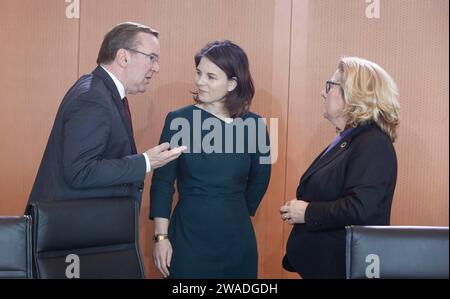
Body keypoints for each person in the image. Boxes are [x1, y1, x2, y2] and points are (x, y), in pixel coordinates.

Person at [27, 22, 186, 212]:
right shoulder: (92, 97)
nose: (156, 68)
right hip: (72, 231)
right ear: (123, 57)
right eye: (151, 58)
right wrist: (145, 162)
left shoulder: (101, 91)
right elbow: (81, 171)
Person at [150, 40, 271, 278]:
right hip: (187, 237)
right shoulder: (178, 120)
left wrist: (231, 210)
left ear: (232, 84)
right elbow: (162, 182)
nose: (199, 81)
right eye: (198, 73)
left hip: (236, 239)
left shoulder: (255, 125)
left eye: (210, 77)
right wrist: (161, 237)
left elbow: (260, 179)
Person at [280, 57, 400, 278]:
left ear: (354, 95)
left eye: (330, 85)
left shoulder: (373, 143)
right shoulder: (351, 139)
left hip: (343, 267)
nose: (323, 93)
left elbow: (360, 208)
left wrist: (307, 212)